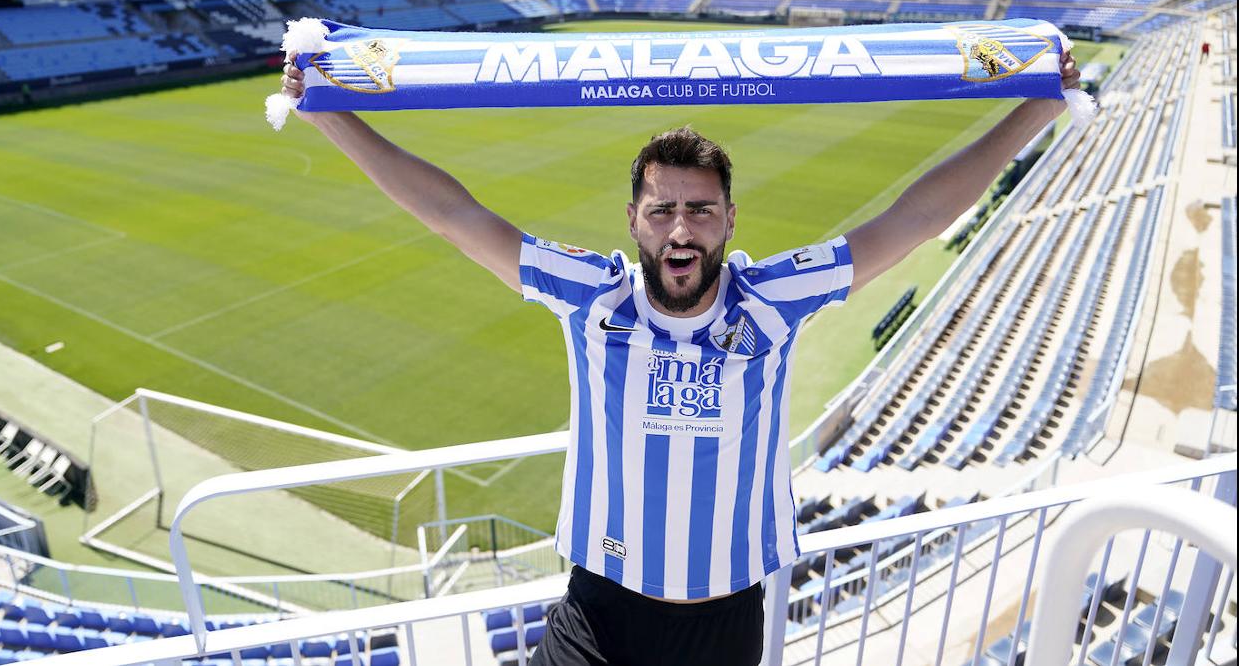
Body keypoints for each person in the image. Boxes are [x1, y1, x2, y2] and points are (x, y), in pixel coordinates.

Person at [279, 50, 1079, 666]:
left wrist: (1037, 111)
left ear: (729, 218)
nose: (682, 230)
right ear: (634, 219)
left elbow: (917, 215)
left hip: (725, 621)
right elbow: (453, 211)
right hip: (599, 609)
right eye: (663, 211)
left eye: (700, 210)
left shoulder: (775, 299)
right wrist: (328, 116)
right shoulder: (592, 295)